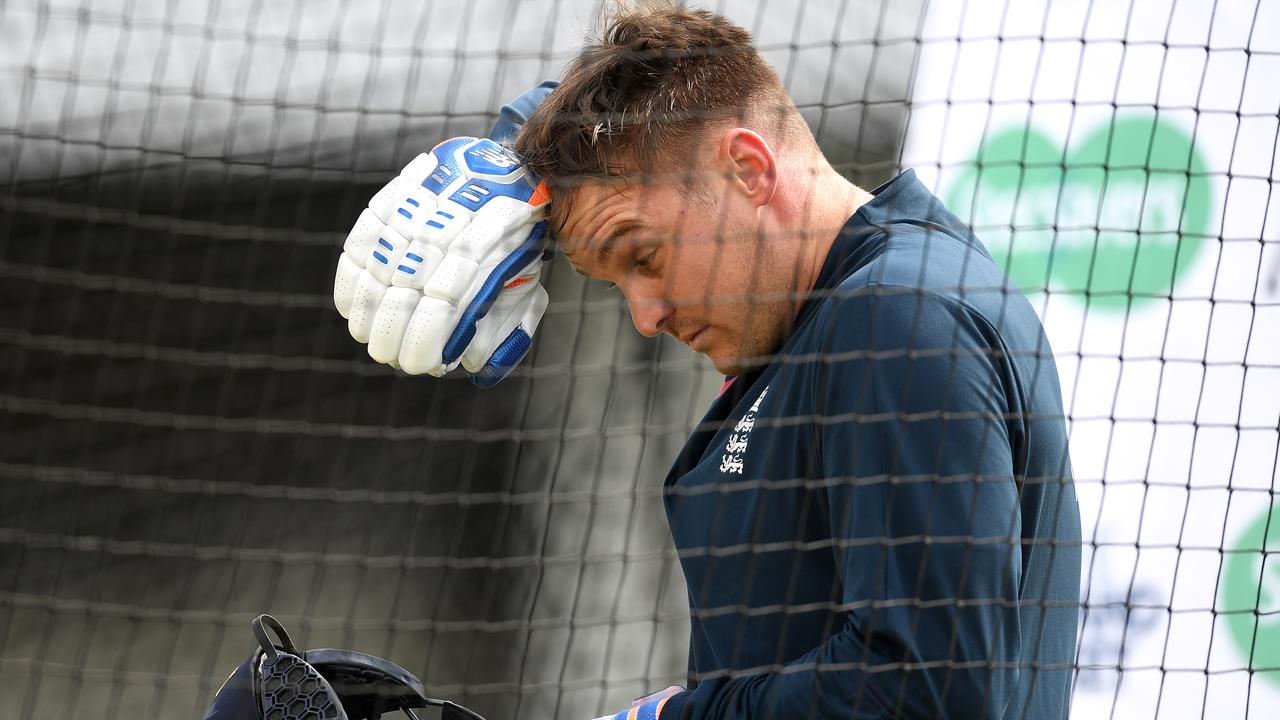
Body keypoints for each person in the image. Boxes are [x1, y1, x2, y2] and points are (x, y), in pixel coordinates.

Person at [334, 3, 1082, 719]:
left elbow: (929, 689)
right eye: (616, 280)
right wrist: (510, 152)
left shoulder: (894, 317)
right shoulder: (848, 307)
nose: (647, 315)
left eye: (645, 256)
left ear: (750, 169)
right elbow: (664, 96)